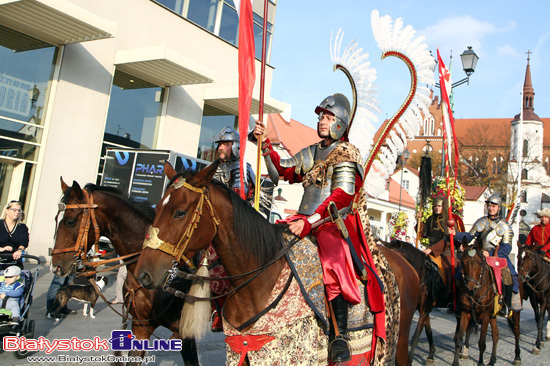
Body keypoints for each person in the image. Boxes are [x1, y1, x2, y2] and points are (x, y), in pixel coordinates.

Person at [254, 93, 379, 363]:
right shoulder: (312, 151)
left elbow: (341, 197)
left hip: (333, 223)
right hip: (302, 217)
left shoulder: (347, 153)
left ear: (340, 123)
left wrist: (310, 221)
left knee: (333, 260)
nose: (322, 121)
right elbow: (283, 171)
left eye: (329, 116)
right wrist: (265, 145)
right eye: (321, 116)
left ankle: (340, 335)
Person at [469, 193, 521, 316]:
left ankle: (506, 305)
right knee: (462, 270)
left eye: (494, 206)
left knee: (508, 275)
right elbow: (469, 236)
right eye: (489, 205)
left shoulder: (504, 226)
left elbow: (507, 247)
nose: (491, 208)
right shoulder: (481, 222)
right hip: (480, 254)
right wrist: (456, 234)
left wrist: (491, 253)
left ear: (498, 208)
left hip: (497, 256)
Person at [212, 126, 256, 202]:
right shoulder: (213, 167)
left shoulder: (240, 168)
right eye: (220, 144)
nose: (220, 148)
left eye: (226, 144)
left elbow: (237, 200)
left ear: (235, 147)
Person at [0, 200, 29, 270]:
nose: (17, 212)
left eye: (19, 210)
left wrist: (20, 250)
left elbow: (24, 241)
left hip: (14, 261)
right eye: (14, 210)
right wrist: (2, 249)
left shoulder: (22, 227)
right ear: (6, 211)